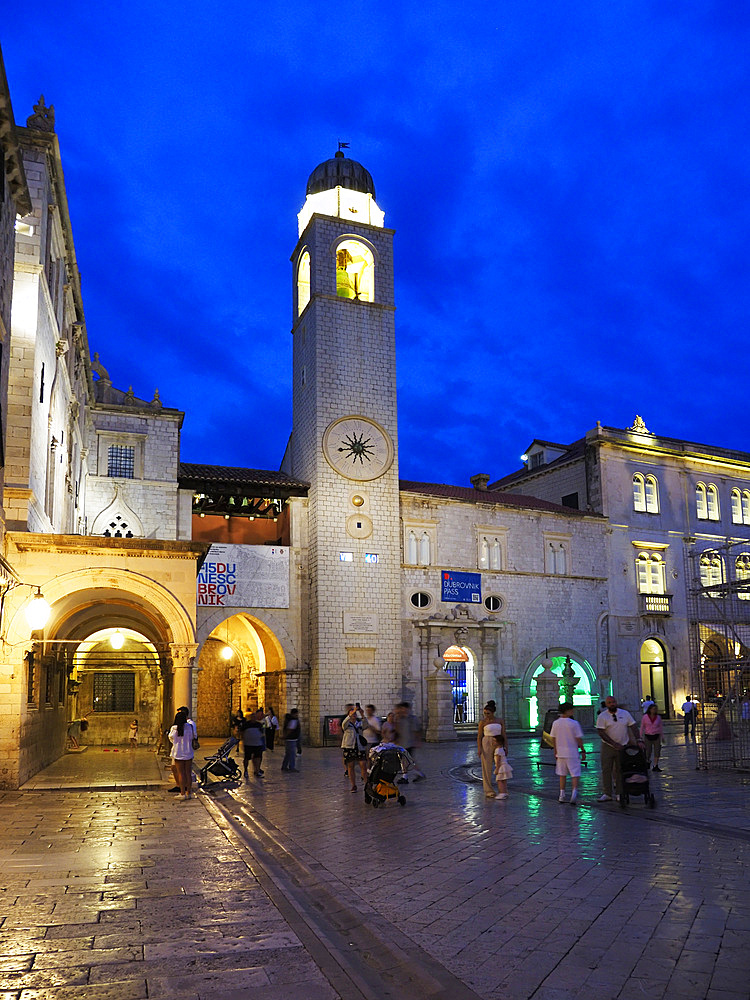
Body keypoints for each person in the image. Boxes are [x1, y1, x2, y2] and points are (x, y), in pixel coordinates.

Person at [596, 696, 637, 801]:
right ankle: (607, 793)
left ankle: (619, 792)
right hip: (607, 746)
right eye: (609, 702)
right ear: (606, 704)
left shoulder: (625, 714)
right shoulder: (602, 716)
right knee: (606, 769)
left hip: (622, 745)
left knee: (620, 769)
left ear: (616, 702)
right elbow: (601, 732)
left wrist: (639, 739)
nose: (612, 704)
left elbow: (633, 726)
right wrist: (613, 743)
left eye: (613, 702)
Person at [550, 702, 586, 805]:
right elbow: (578, 738)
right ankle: (574, 793)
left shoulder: (556, 723)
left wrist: (555, 750)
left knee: (562, 774)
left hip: (560, 752)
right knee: (575, 773)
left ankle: (562, 794)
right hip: (572, 752)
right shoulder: (574, 723)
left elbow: (553, 738)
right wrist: (582, 749)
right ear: (568, 711)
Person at [477, 700, 505, 797]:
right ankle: (489, 791)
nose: (486, 715)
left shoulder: (500, 721)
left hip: (498, 742)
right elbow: (479, 736)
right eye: (485, 713)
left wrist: (506, 746)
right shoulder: (482, 722)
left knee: (501, 765)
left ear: (493, 712)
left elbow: (504, 734)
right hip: (487, 742)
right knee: (487, 767)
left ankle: (502, 789)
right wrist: (479, 748)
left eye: (488, 713)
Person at [169, 707, 197, 800]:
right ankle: (188, 792)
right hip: (188, 752)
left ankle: (182, 793)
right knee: (188, 773)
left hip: (178, 753)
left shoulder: (174, 728)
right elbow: (194, 737)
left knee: (181, 773)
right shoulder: (190, 727)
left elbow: (171, 738)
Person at [394, 702, 426, 783]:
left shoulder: (412, 719)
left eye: (403, 708)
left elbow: (417, 731)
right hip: (403, 743)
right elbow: (397, 730)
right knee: (407, 761)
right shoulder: (400, 719)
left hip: (409, 743)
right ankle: (414, 775)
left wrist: (418, 741)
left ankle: (408, 776)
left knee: (407, 761)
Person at [341, 704, 368, 792]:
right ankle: (353, 785)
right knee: (350, 766)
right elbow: (344, 723)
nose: (354, 714)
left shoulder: (359, 723)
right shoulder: (347, 724)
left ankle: (366, 784)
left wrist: (363, 714)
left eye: (355, 713)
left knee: (363, 765)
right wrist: (351, 713)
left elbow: (366, 726)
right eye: (352, 713)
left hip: (359, 747)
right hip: (349, 747)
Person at [242, 708, 266, 779]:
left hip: (257, 744)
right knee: (247, 758)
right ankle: (246, 770)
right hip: (248, 744)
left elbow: (262, 733)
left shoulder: (259, 725)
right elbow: (241, 732)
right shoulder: (246, 724)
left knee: (257, 758)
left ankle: (257, 770)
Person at [640, 703, 664, 770]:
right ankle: (647, 761)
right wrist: (640, 736)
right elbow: (642, 726)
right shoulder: (645, 717)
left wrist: (662, 736)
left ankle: (655, 765)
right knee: (648, 751)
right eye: (653, 709)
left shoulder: (658, 717)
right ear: (650, 710)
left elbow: (660, 727)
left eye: (655, 709)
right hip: (648, 735)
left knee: (657, 750)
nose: (654, 710)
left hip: (656, 735)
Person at [493, 733, 513, 800]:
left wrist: (497, 769)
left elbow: (498, 761)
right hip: (505, 765)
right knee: (504, 780)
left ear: (498, 742)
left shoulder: (497, 751)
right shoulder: (502, 749)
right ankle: (505, 792)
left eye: (494, 741)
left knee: (500, 780)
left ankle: (502, 793)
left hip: (501, 767)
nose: (493, 743)